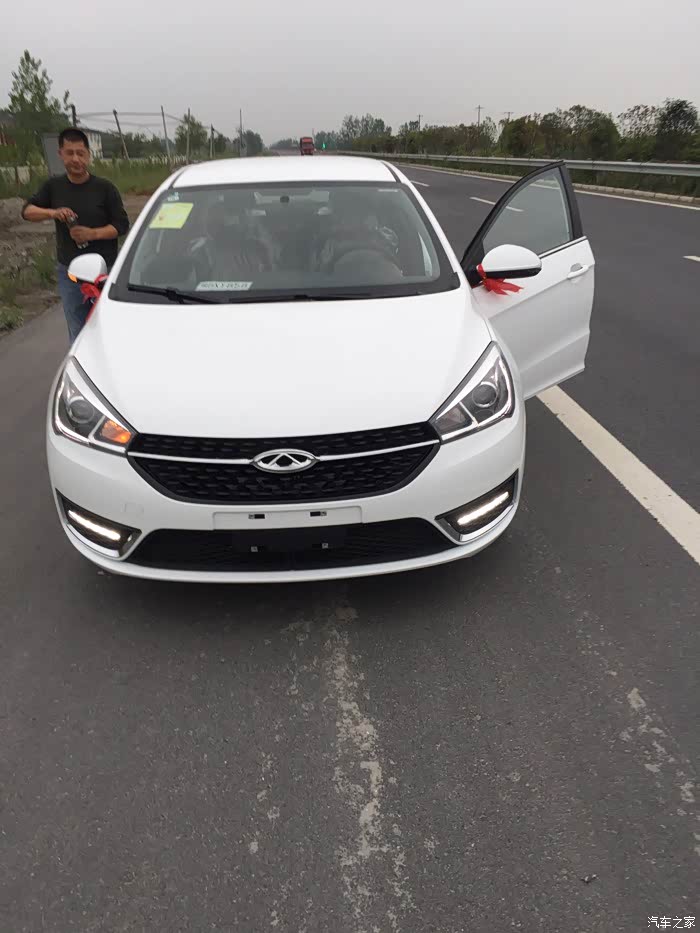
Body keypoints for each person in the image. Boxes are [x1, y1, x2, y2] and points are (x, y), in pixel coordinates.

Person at [22, 128, 130, 342]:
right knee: (78, 330)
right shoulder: (53, 187)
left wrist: (92, 233)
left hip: (105, 272)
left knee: (109, 327)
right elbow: (27, 211)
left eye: (80, 153)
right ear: (60, 154)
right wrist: (53, 212)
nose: (76, 159)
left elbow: (122, 225)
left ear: (88, 155)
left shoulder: (105, 188)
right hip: (70, 274)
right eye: (69, 153)